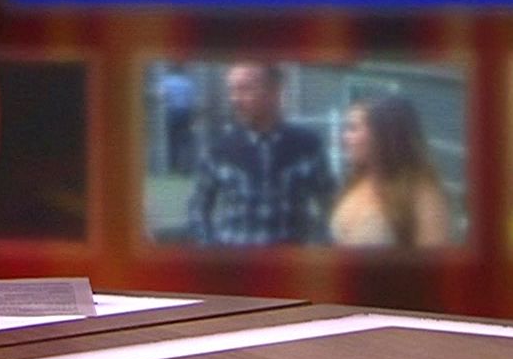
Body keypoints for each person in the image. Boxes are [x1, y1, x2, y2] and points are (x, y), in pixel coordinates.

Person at [186, 63, 336, 245]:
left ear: (274, 92)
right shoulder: (218, 150)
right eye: (232, 90)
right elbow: (197, 208)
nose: (235, 99)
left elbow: (332, 204)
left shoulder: (307, 146)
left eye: (245, 89)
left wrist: (318, 245)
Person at [329, 95, 452, 247]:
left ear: (383, 135)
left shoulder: (422, 193)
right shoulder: (356, 181)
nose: (345, 138)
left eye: (353, 128)